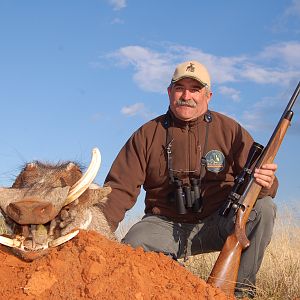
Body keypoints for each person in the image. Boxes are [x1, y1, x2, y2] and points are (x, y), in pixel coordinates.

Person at [103, 60, 278, 298]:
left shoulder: (230, 130)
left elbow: (261, 179)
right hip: (164, 224)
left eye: (195, 89)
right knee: (134, 240)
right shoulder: (146, 134)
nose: (186, 95)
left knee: (265, 208)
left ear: (208, 95)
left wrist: (267, 183)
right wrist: (97, 230)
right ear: (169, 92)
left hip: (219, 221)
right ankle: (169, 286)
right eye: (179, 88)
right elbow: (118, 190)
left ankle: (241, 292)